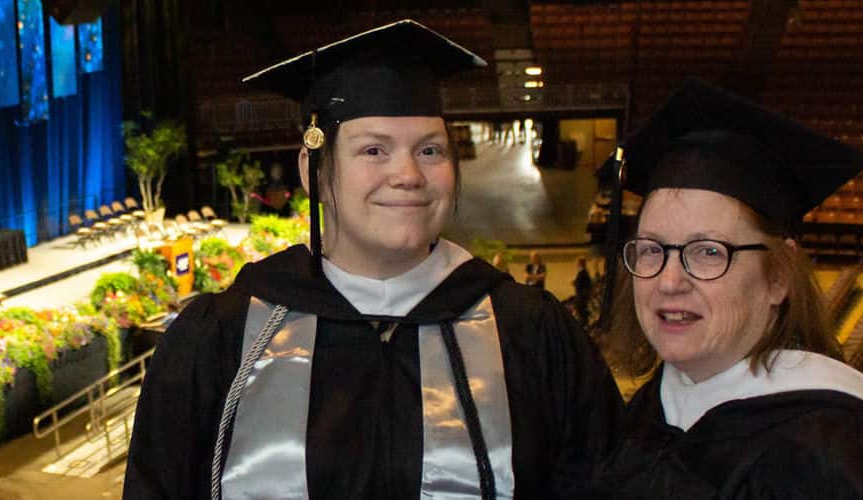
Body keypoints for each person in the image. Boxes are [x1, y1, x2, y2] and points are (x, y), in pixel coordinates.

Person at [122, 20, 623, 499]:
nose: (408, 175)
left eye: (430, 151)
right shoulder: (223, 340)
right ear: (314, 171)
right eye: (374, 151)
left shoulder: (530, 334)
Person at [584, 80, 863, 499]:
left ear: (778, 277)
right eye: (651, 249)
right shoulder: (656, 405)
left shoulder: (831, 450)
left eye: (709, 252)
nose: (668, 281)